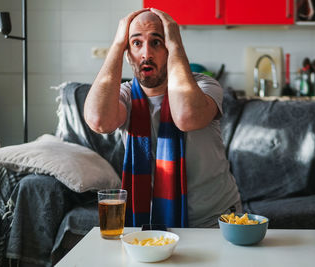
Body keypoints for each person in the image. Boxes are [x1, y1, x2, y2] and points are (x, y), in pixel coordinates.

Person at [84, 8, 241, 228]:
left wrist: (176, 42)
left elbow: (187, 117)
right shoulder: (125, 96)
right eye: (136, 43)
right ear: (128, 53)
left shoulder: (205, 86)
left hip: (214, 219)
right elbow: (99, 120)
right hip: (151, 223)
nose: (146, 54)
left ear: (169, 49)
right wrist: (118, 44)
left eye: (156, 42)